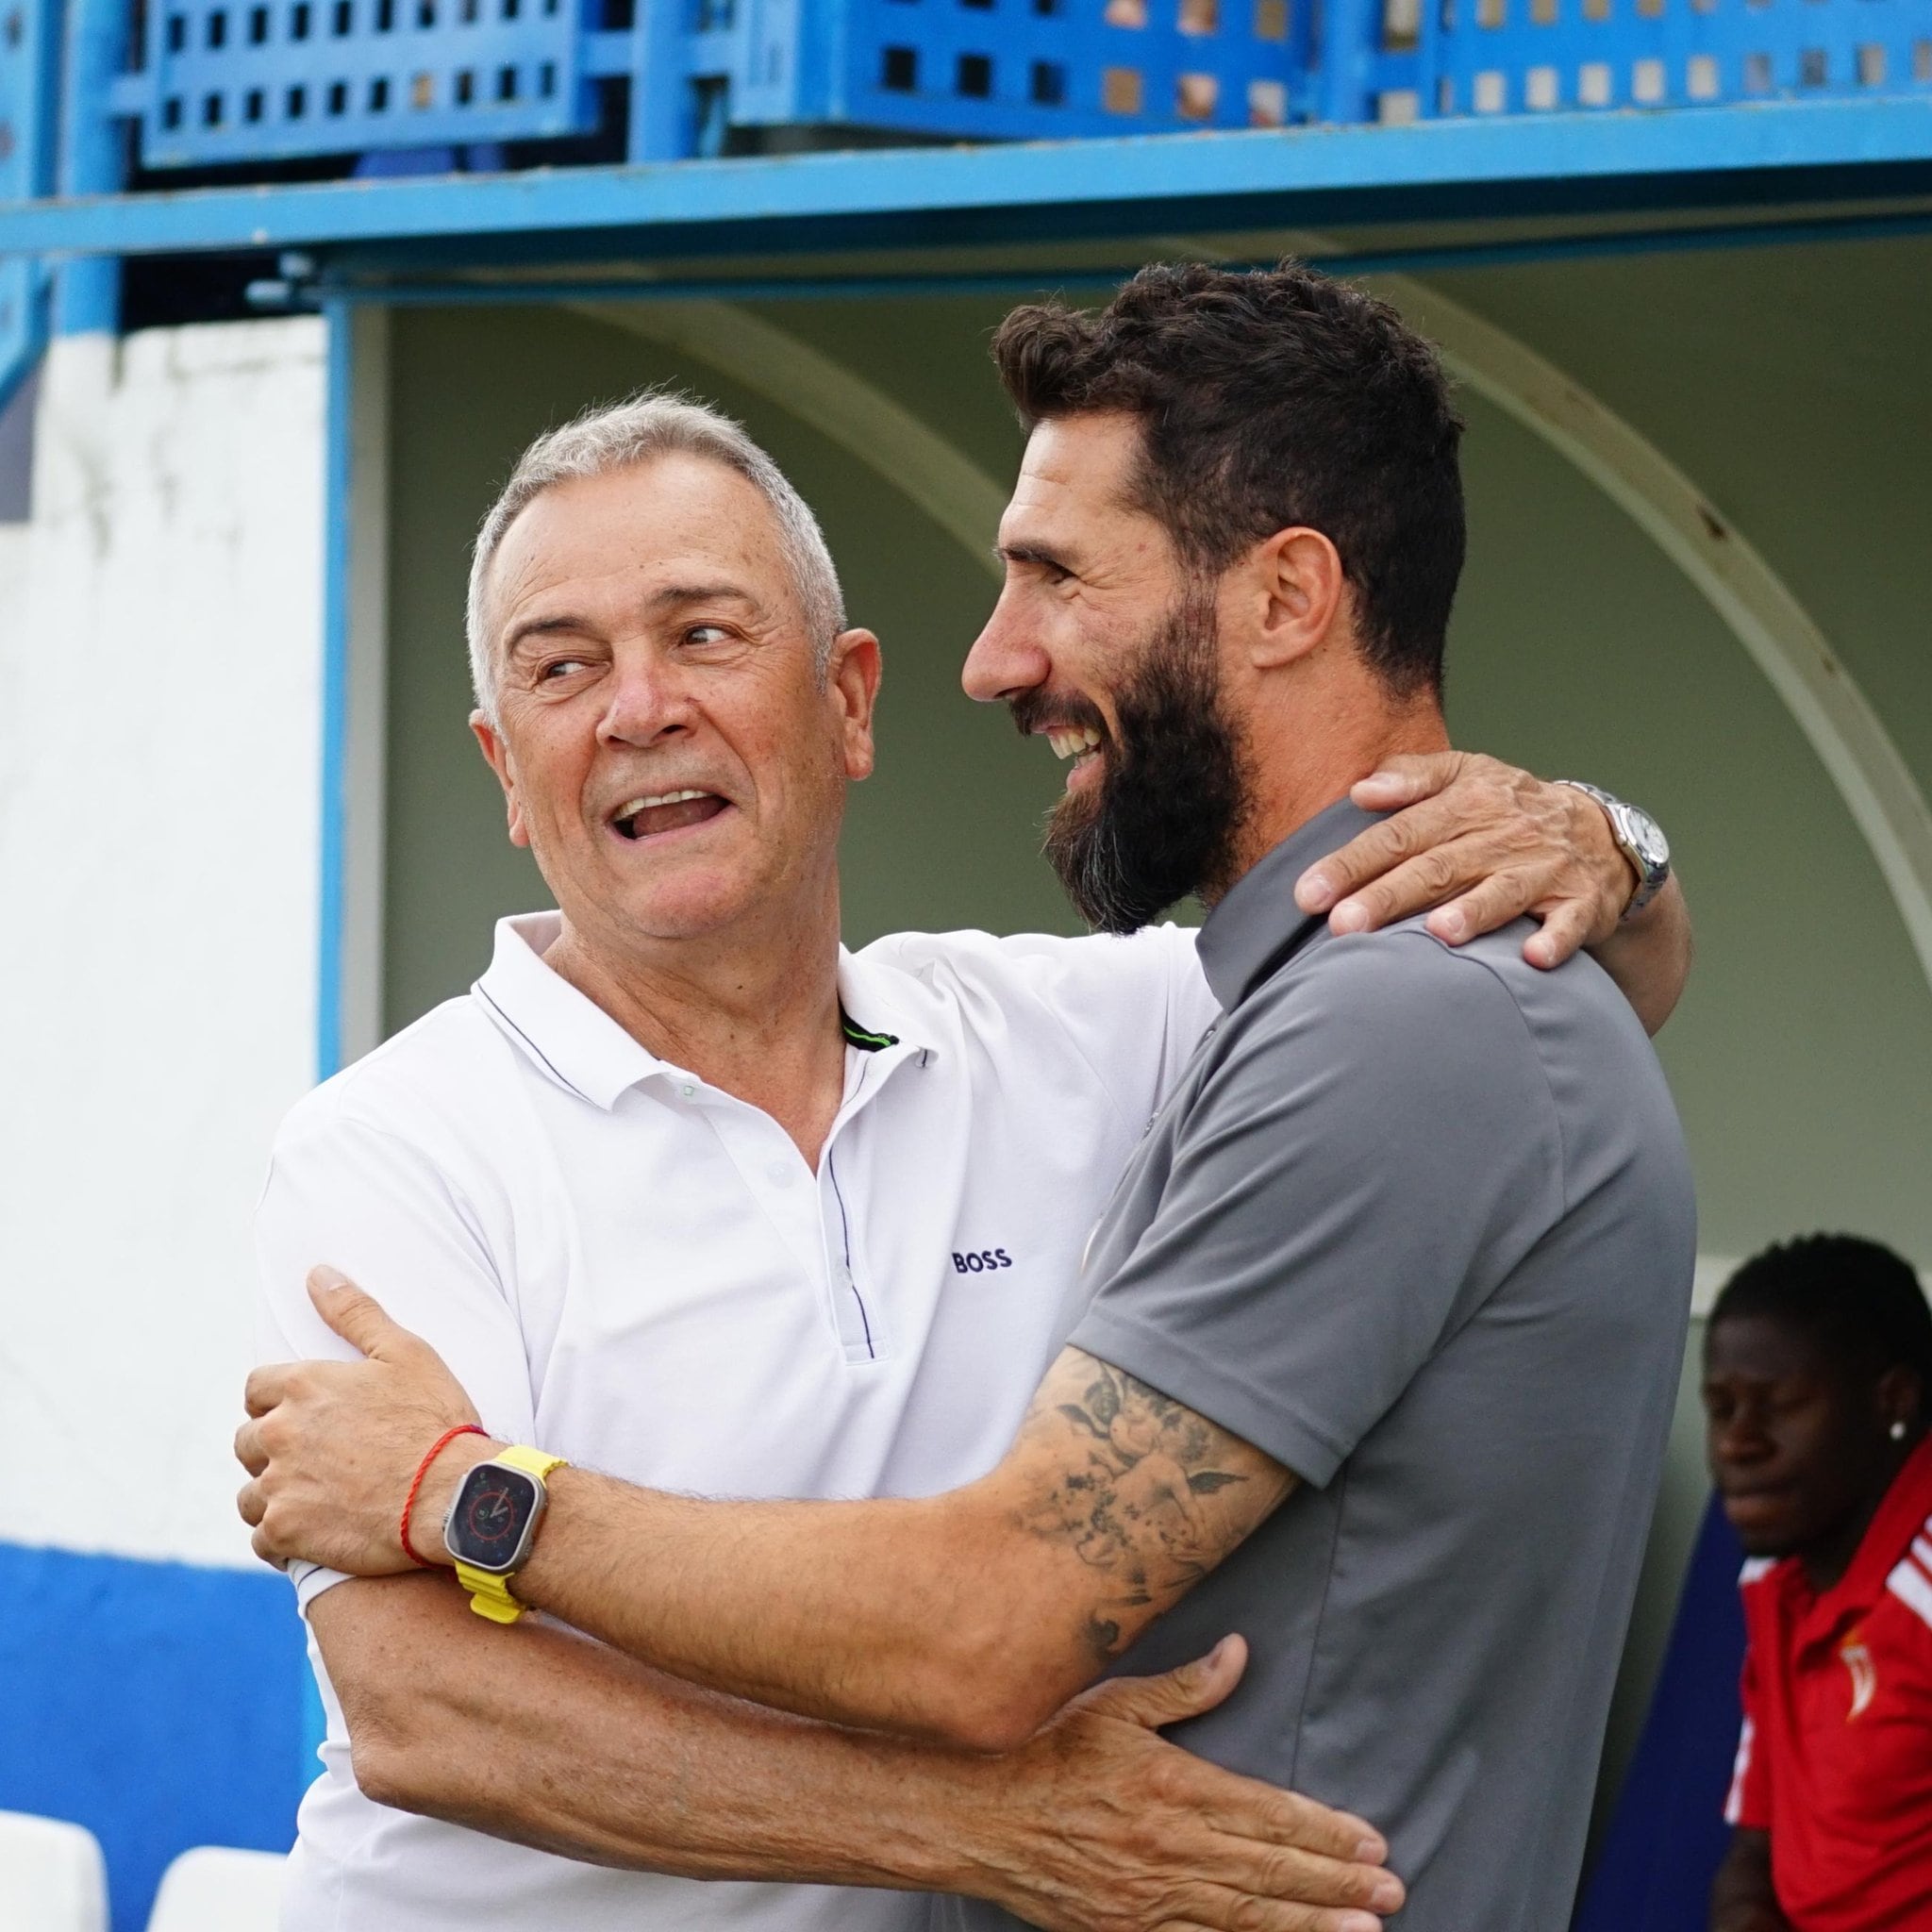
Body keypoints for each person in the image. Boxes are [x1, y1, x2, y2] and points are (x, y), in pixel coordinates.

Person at [240, 263, 1697, 1931]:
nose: (639, 707)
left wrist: (1605, 842)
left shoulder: (1081, 1029)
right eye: (559, 670)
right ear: (504, 770)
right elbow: (433, 1711)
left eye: (703, 632)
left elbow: (1526, 1009)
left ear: (844, 703)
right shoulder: (386, 1150)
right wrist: (979, 1826)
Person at [1706, 1234, 1932, 1932]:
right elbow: (1755, 1852)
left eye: (1777, 1406)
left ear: (1890, 1401)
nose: (1737, 1443)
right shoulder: (1777, 1581)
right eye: (1721, 1409)